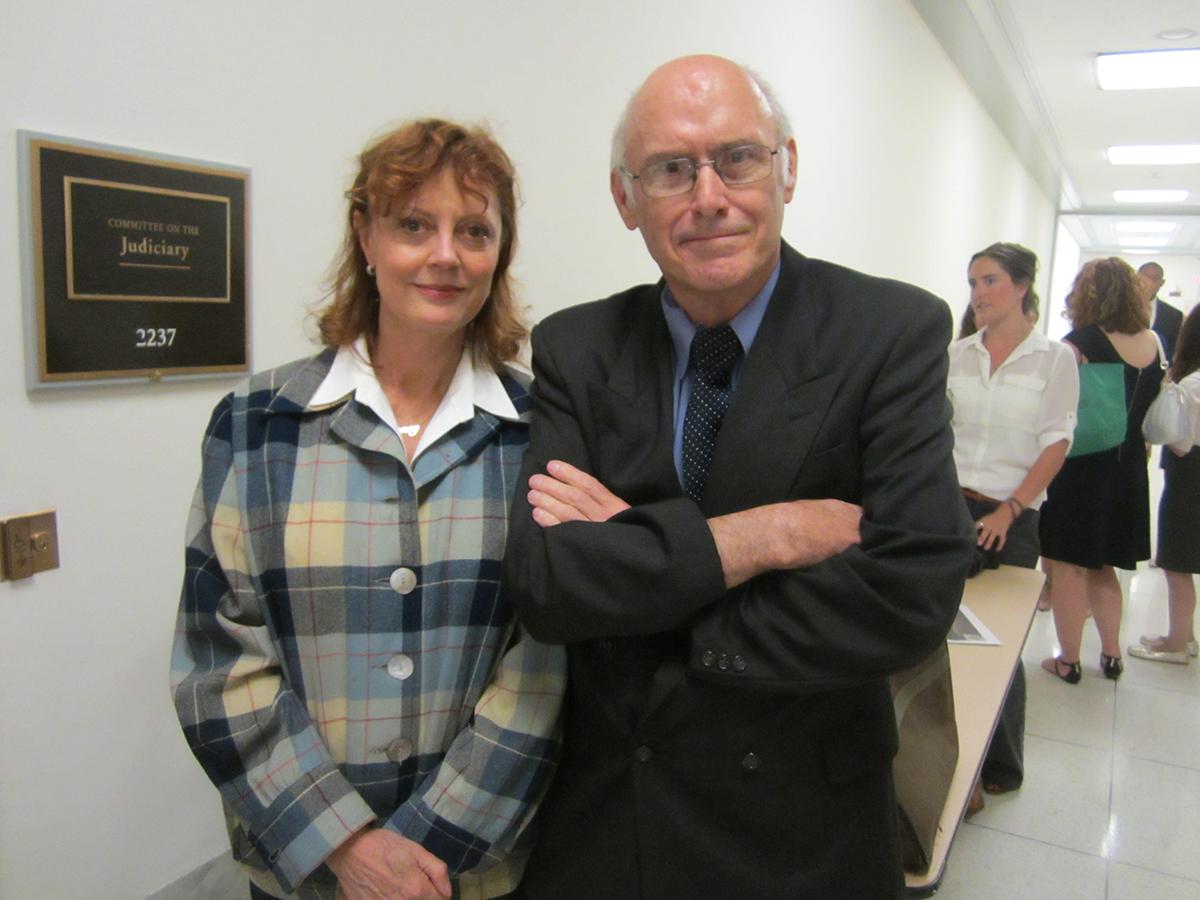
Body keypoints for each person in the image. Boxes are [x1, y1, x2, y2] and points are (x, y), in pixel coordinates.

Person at [501, 55, 975, 899]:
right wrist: (768, 535)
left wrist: (638, 572)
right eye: (671, 170)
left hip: (805, 830)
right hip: (618, 824)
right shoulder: (577, 348)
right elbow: (547, 585)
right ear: (625, 199)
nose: (709, 196)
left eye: (739, 158)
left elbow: (912, 593)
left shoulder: (888, 333)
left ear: (788, 168)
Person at [170, 119, 565, 900]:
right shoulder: (255, 424)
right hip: (308, 869)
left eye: (475, 230)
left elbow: (547, 660)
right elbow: (218, 660)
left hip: (476, 873)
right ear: (366, 235)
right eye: (414, 224)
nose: (445, 254)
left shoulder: (544, 428)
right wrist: (347, 847)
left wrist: (426, 851)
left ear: (501, 252)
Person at [948, 243, 1078, 804]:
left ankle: (1000, 761)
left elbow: (1057, 442)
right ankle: (947, 749)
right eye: (973, 281)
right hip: (949, 508)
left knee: (996, 643)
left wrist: (1011, 508)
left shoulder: (1054, 360)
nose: (977, 292)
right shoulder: (956, 355)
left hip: (1011, 516)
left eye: (990, 280)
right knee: (941, 632)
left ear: (1022, 287)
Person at [1039, 258, 1166, 683]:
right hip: (1129, 466)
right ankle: (1112, 656)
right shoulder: (1151, 342)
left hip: (1082, 467)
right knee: (1105, 565)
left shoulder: (1082, 341)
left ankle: (1069, 660)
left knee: (1069, 566)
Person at [1131, 303, 1200, 664]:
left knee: (1178, 562)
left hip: (1190, 478)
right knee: (1184, 560)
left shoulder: (1192, 383)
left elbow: (1179, 440)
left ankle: (1176, 643)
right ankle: (1183, 635)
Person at [1138, 261, 1184, 358]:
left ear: (1162, 283)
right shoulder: (1118, 309)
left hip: (1158, 371)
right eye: (1145, 276)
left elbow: (1172, 349)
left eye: (1154, 278)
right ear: (1136, 278)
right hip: (1122, 370)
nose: (1148, 282)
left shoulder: (1174, 315)